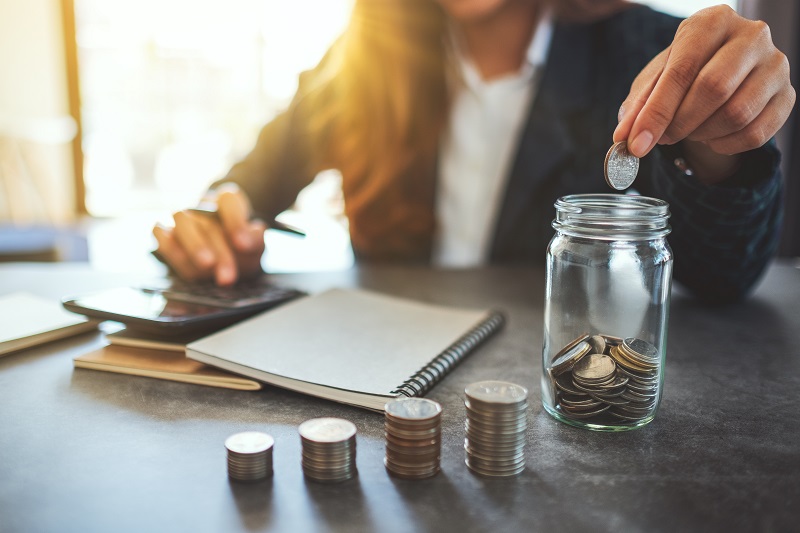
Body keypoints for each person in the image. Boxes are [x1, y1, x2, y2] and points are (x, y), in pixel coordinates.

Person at [152, 0, 795, 303]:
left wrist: (718, 147)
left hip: (553, 399)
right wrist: (215, 216)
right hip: (380, 402)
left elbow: (724, 278)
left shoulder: (655, 51)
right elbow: (247, 183)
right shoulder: (367, 53)